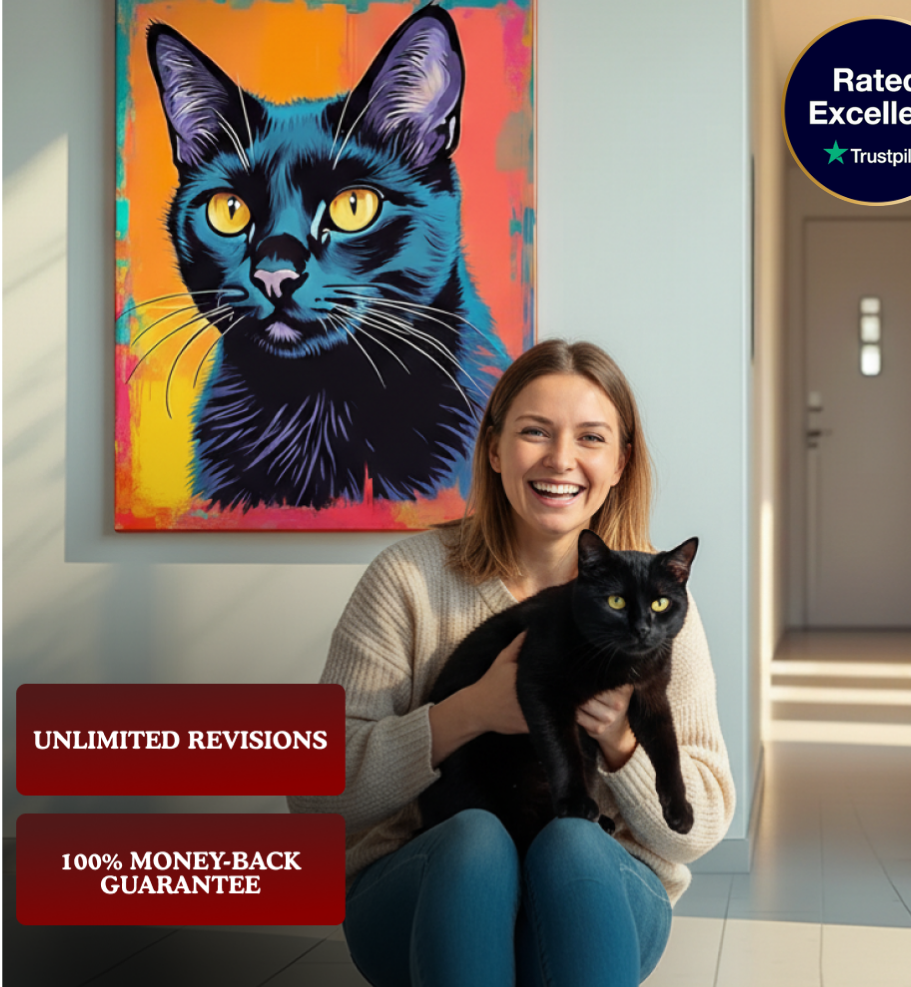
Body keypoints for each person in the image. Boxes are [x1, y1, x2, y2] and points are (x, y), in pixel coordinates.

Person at [288, 339, 735, 987]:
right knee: (475, 841)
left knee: (574, 843)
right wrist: (471, 712)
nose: (560, 459)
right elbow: (313, 793)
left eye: (590, 437)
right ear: (494, 449)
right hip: (424, 890)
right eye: (534, 432)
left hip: (598, 893)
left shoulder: (658, 608)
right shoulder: (407, 580)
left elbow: (700, 828)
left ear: (620, 462)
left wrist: (618, 739)